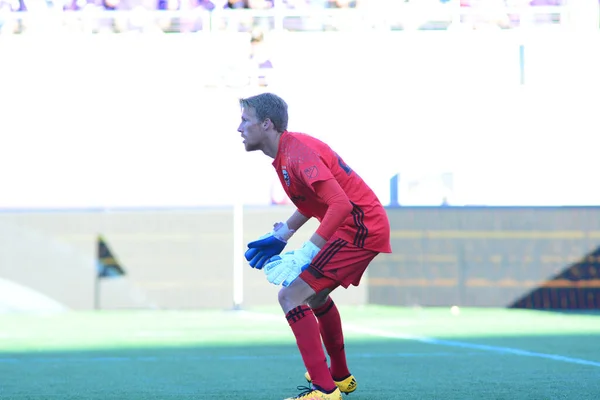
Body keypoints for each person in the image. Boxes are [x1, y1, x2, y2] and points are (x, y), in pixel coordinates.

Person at [238, 92, 391, 400]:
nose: (239, 128)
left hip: (359, 228)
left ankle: (324, 391)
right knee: (315, 296)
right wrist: (283, 235)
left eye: (245, 120)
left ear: (266, 124)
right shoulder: (286, 154)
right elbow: (313, 203)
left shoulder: (297, 153)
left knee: (290, 295)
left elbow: (340, 205)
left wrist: (306, 253)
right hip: (354, 225)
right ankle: (339, 376)